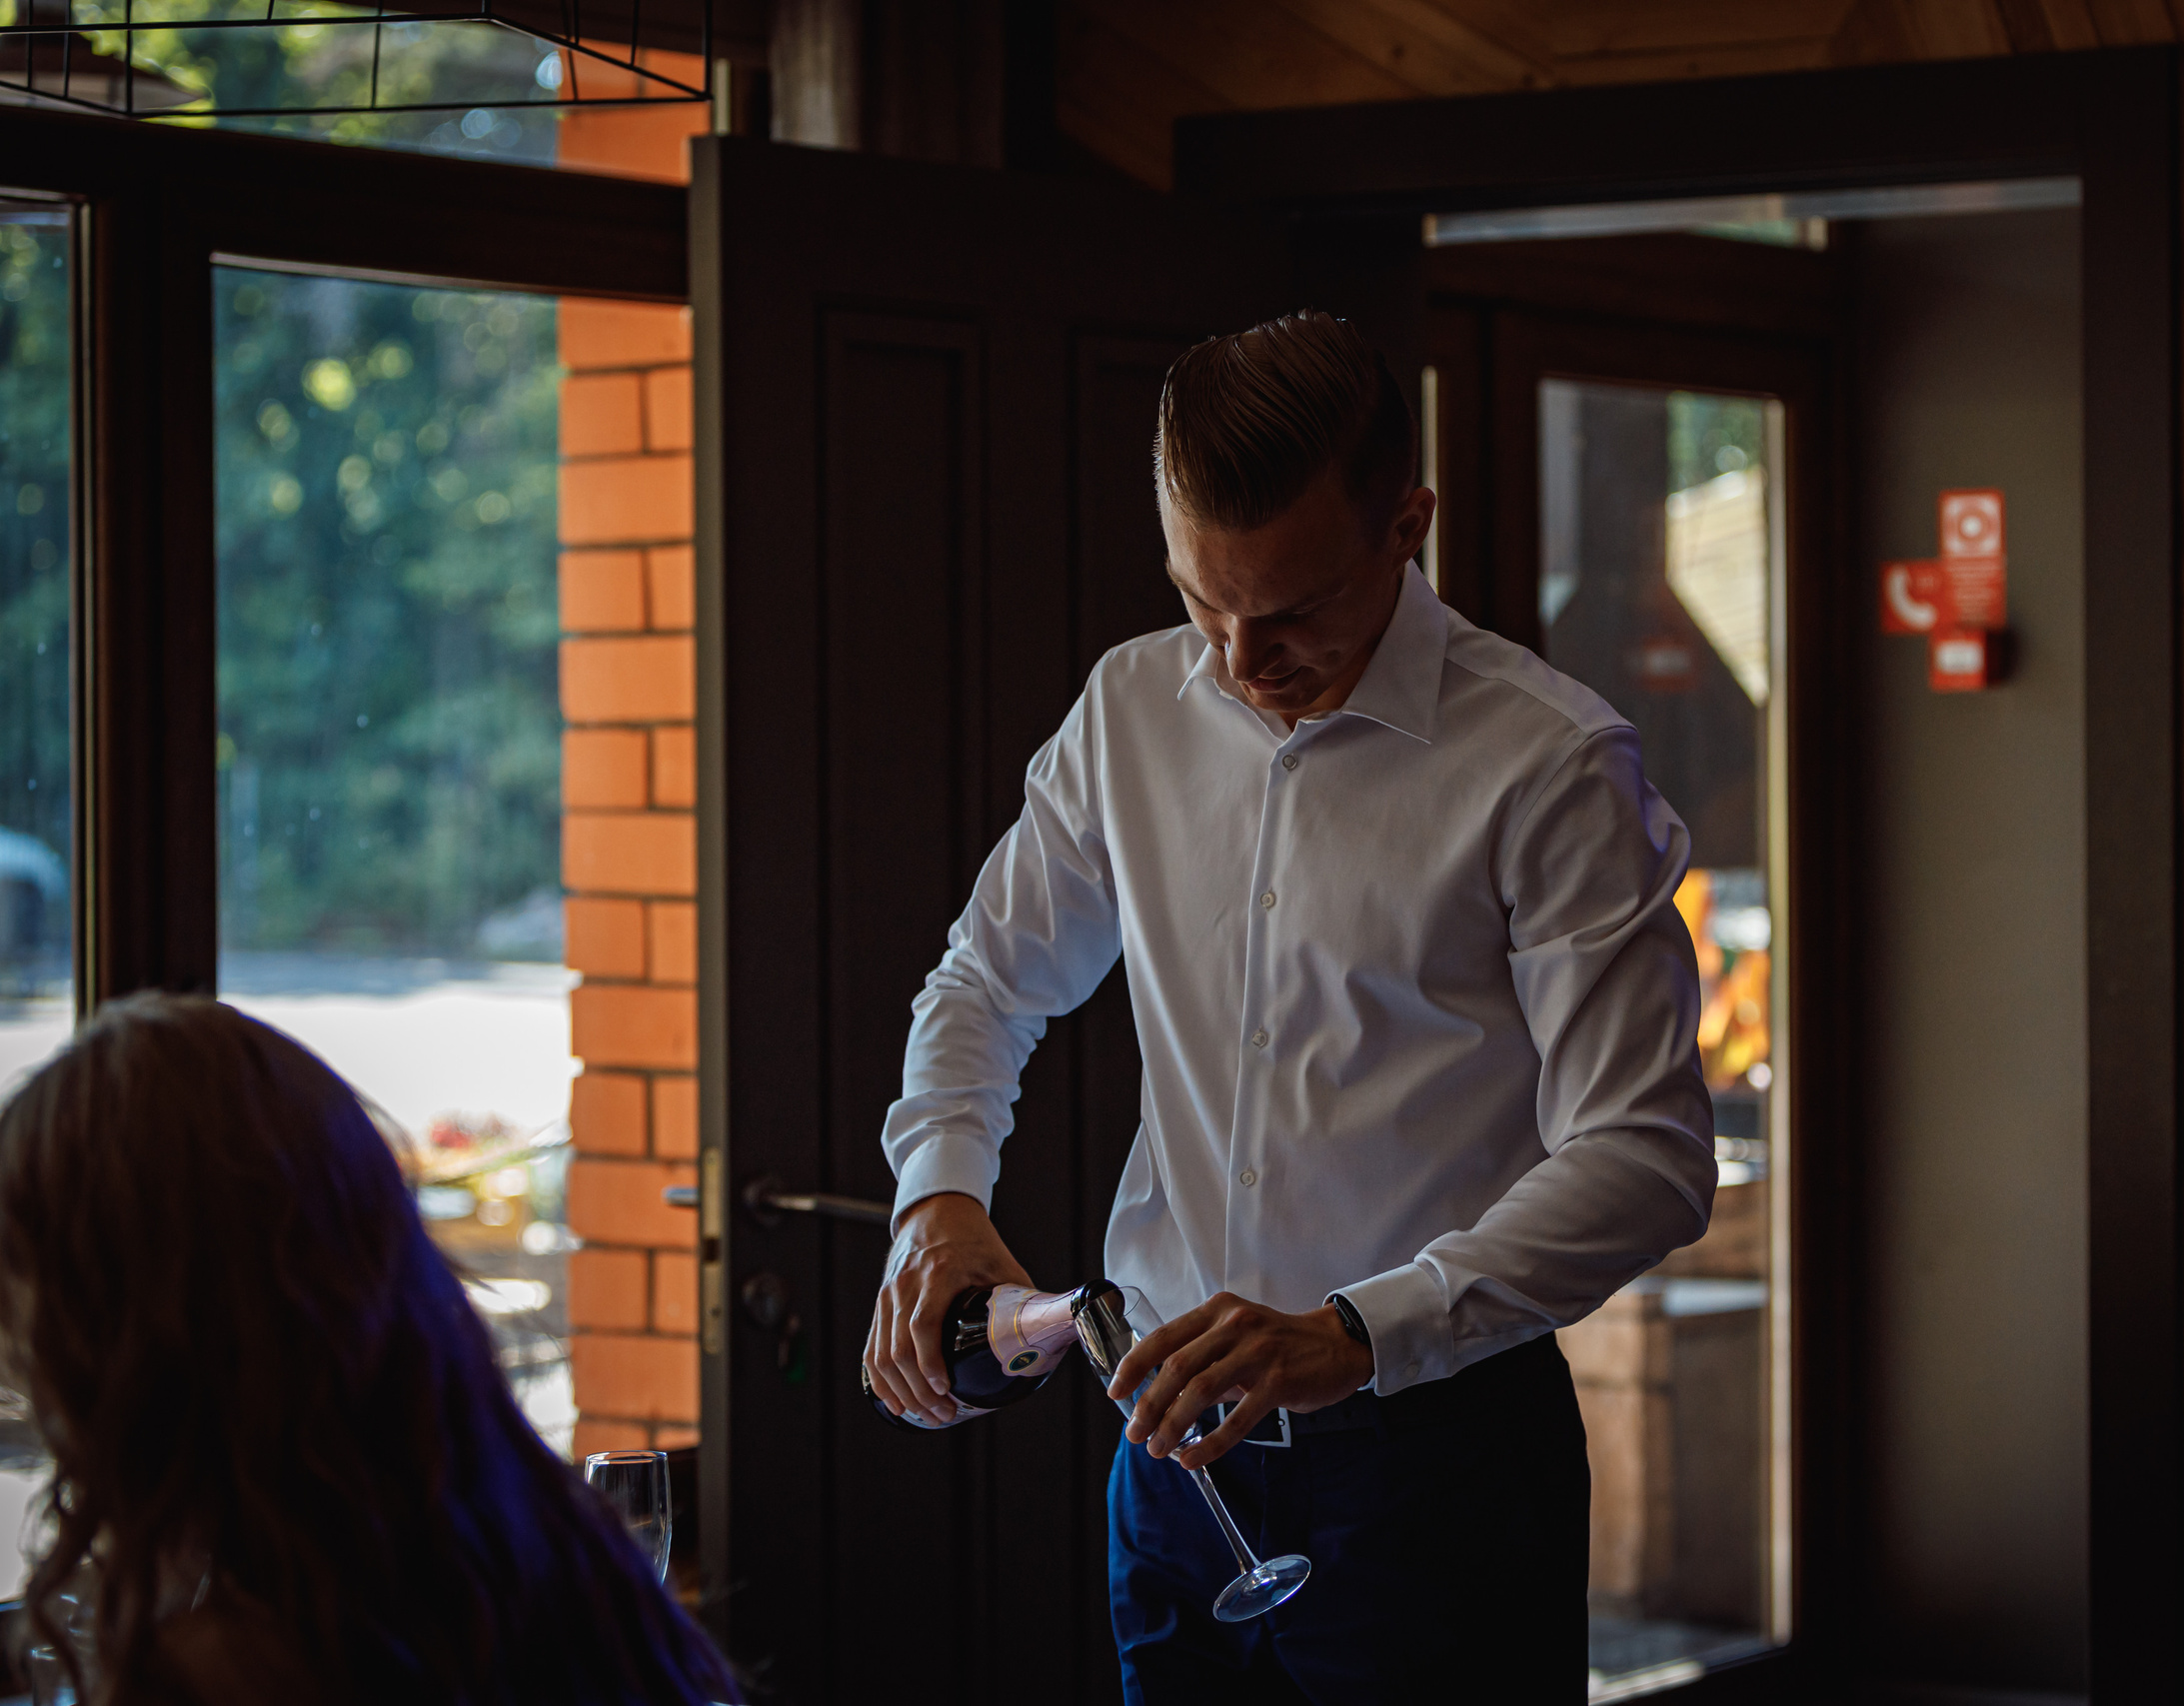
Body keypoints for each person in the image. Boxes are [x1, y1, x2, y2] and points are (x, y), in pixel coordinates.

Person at [865, 310, 1717, 1701]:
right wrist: (941, 1195)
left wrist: (1357, 1328)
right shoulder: (1130, 711)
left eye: (1296, 609)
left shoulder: (1551, 765)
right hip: (1167, 1460)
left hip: (1435, 1466)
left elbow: (1647, 1153)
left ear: (1407, 524)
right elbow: (985, 977)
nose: (1243, 663)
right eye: (1206, 603)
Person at [0, 992, 737, 1706]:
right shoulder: (552, 1555)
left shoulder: (224, 1667)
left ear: (131, 1336)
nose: (14, 1355)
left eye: (22, 1295)